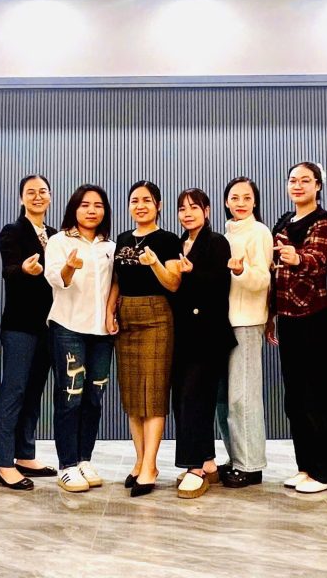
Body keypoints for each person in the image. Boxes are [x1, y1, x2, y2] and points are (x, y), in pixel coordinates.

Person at [269, 162, 327, 494]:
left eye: (305, 180)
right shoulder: (284, 221)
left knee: (317, 394)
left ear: (318, 186)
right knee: (295, 397)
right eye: (293, 180)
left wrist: (295, 257)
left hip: (313, 315)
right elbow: (274, 272)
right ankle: (306, 466)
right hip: (287, 316)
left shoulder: (324, 221)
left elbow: (317, 259)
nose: (297, 185)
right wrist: (271, 314)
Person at [44, 184, 116, 493]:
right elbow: (56, 279)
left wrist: (111, 314)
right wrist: (69, 268)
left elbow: (116, 283)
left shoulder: (109, 245)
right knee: (70, 397)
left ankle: (85, 459)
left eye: (98, 205)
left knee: (94, 398)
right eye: (85, 205)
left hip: (102, 333)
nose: (91, 210)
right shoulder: (59, 241)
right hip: (68, 327)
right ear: (74, 208)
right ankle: (67, 465)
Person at [112, 180, 182, 497]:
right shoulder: (123, 239)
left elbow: (173, 283)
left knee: (152, 394)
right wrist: (110, 311)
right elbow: (116, 281)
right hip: (126, 314)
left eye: (147, 200)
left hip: (156, 316)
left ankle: (151, 466)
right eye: (134, 200)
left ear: (158, 205)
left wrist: (153, 263)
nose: (140, 206)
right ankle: (139, 461)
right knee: (132, 396)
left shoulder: (168, 240)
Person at [0, 175, 58, 490]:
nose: (37, 196)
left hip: (49, 325)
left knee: (34, 392)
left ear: (50, 196)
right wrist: (24, 269)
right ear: (21, 198)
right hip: (20, 325)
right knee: (14, 391)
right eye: (30, 192)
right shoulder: (13, 231)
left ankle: (25, 454)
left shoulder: (56, 236)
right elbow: (8, 270)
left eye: (42, 191)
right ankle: (5, 464)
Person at [171, 189, 235, 499]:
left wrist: (192, 272)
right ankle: (207, 462)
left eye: (194, 207)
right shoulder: (178, 244)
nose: (187, 213)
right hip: (182, 333)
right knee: (183, 398)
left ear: (207, 211)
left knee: (195, 398)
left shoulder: (217, 242)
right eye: (182, 208)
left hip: (209, 334)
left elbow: (221, 283)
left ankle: (195, 467)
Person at [218, 176, 273, 488]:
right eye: (235, 198)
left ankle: (251, 465)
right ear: (226, 202)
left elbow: (263, 279)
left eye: (247, 198)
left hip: (247, 323)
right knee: (225, 400)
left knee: (243, 397)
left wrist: (240, 270)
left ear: (255, 202)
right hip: (224, 324)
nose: (240, 203)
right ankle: (236, 458)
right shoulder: (225, 234)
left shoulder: (259, 232)